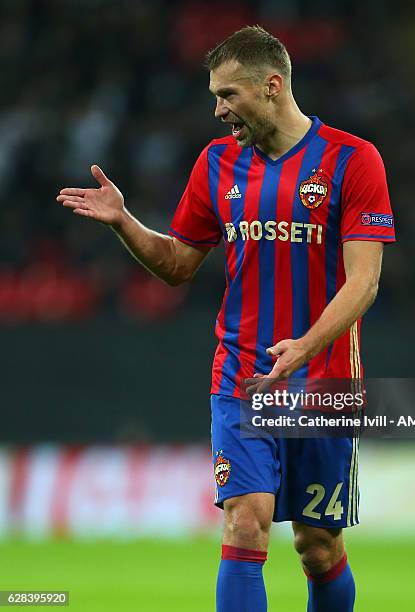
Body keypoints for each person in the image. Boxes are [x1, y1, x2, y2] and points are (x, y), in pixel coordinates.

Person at [57, 25, 395, 612]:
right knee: (245, 523)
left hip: (324, 381)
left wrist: (305, 347)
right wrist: (124, 222)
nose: (218, 110)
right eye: (214, 96)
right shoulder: (217, 164)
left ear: (271, 86)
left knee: (317, 546)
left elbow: (363, 281)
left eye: (229, 95)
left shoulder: (351, 159)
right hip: (240, 375)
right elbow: (178, 264)